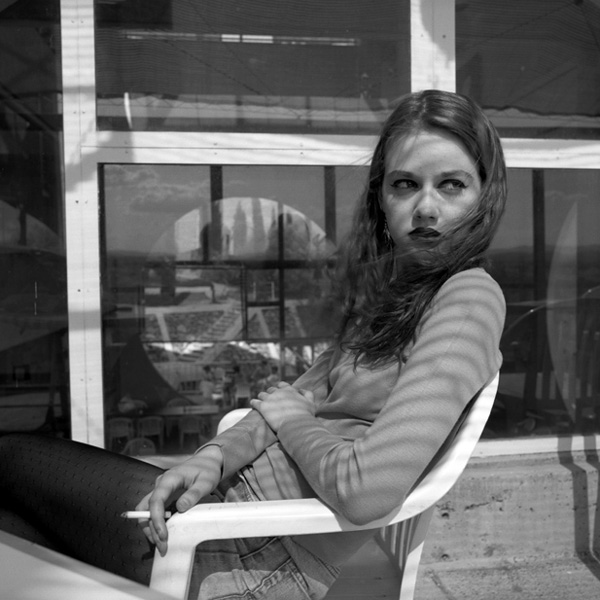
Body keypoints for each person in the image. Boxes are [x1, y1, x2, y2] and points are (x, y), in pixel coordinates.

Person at [0, 89, 507, 600]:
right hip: (231, 514)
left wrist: (294, 423)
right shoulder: (397, 295)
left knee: (10, 463)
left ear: (484, 195)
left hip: (252, 556)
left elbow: (366, 490)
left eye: (452, 185)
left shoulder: (469, 298)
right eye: (405, 184)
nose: (426, 208)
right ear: (382, 197)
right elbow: (291, 398)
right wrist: (214, 458)